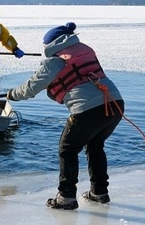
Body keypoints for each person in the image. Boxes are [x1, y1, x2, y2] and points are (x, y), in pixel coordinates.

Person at [7, 22, 125, 210]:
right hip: (115, 103)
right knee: (95, 145)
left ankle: (66, 197)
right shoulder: (85, 50)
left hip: (88, 109)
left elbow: (31, 87)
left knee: (67, 149)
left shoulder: (54, 60)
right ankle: (99, 192)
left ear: (51, 44)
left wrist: (12, 94)